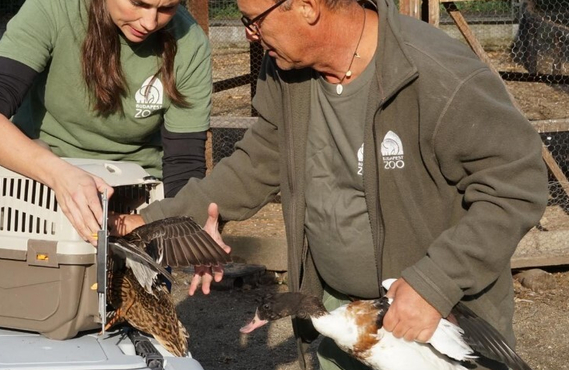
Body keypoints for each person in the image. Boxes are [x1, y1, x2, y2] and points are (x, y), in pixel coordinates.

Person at [112, 0, 548, 368]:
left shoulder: (435, 73)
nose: (249, 34)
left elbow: (516, 184)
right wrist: (147, 223)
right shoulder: (285, 71)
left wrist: (435, 283)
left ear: (306, 7)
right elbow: (256, 162)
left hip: (433, 325)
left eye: (253, 20)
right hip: (339, 317)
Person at [0, 0, 212, 246]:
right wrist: (60, 174)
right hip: (38, 180)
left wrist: (186, 229)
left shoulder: (189, 42)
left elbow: (184, 164)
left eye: (166, 8)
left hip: (133, 196)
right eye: (138, 4)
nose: (149, 22)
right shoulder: (51, 9)